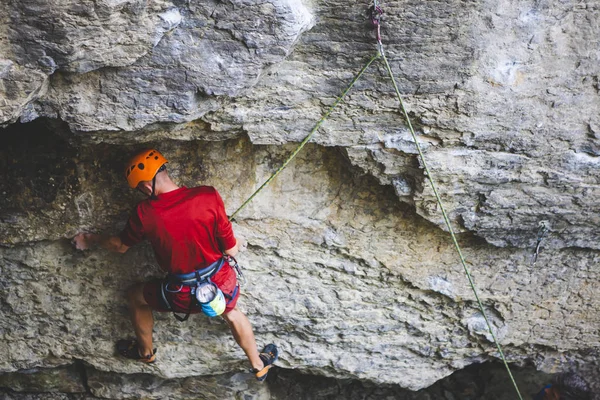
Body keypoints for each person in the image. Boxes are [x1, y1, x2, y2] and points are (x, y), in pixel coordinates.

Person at [73, 149, 277, 381]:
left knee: (135, 297)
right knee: (232, 313)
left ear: (147, 187)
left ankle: (145, 352)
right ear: (164, 169)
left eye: (139, 188)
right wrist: (236, 242)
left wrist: (90, 239)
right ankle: (258, 364)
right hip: (220, 284)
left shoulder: (145, 213)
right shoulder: (207, 195)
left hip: (180, 294)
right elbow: (230, 250)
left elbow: (120, 246)